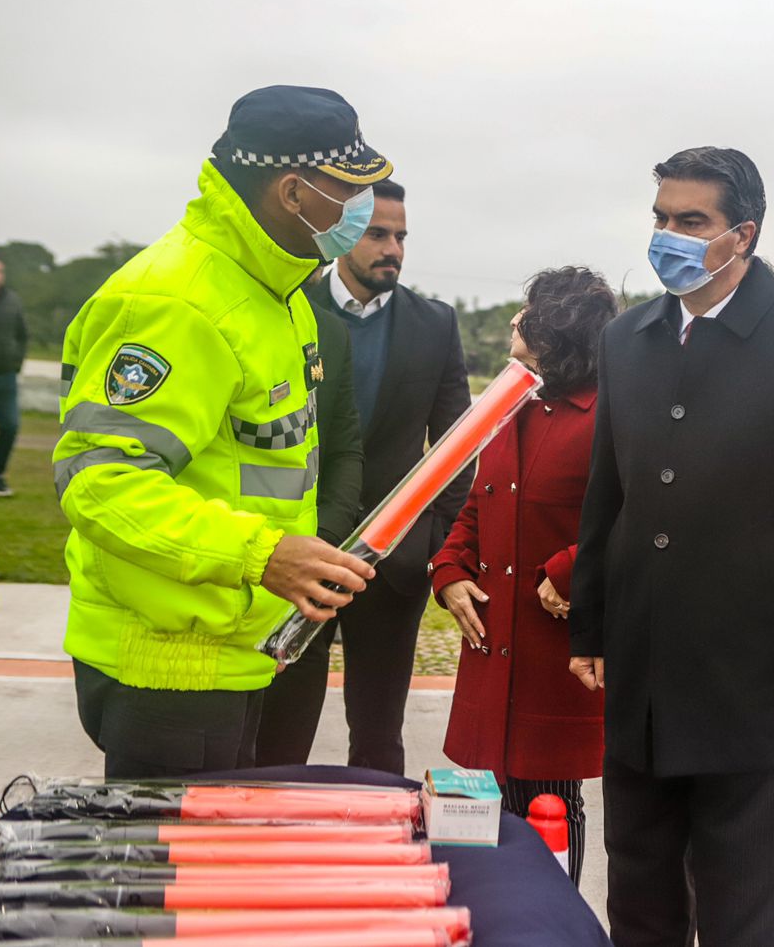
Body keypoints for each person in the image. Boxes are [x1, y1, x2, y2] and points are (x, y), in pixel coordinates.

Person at [569, 146, 774, 946]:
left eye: (690, 221)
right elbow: (608, 497)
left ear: (743, 233)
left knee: (738, 912)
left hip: (757, 682)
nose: (669, 235)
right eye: (661, 219)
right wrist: (591, 629)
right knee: (638, 896)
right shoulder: (627, 339)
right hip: (642, 675)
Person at [53, 85, 383, 777]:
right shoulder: (179, 300)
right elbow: (102, 483)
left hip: (233, 649)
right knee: (170, 885)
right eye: (349, 189)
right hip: (169, 667)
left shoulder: (274, 294)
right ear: (292, 193)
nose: (364, 210)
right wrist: (263, 555)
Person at [260, 178, 471, 776]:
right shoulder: (289, 307)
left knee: (380, 738)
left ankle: (380, 860)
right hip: (300, 553)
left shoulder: (435, 324)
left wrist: (438, 541)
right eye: (378, 233)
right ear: (342, 232)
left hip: (394, 561)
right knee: (280, 730)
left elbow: (456, 447)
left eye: (401, 236)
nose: (394, 249)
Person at [429, 266, 617, 885]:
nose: (515, 321)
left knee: (552, 807)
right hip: (492, 646)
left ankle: (554, 921)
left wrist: (568, 572)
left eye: (528, 311)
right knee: (493, 809)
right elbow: (478, 505)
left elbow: (629, 517)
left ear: (558, 328)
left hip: (550, 653)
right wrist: (450, 570)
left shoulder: (605, 420)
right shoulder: (511, 407)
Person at [251, 287, 364, 767]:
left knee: (279, 774)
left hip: (302, 599)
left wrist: (321, 550)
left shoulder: (328, 332)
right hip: (219, 590)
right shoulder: (199, 307)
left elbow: (343, 450)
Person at [0, 252, 26, 498]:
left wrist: (16, 363)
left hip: (4, 377)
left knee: (10, 426)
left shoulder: (13, 301)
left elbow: (22, 335)